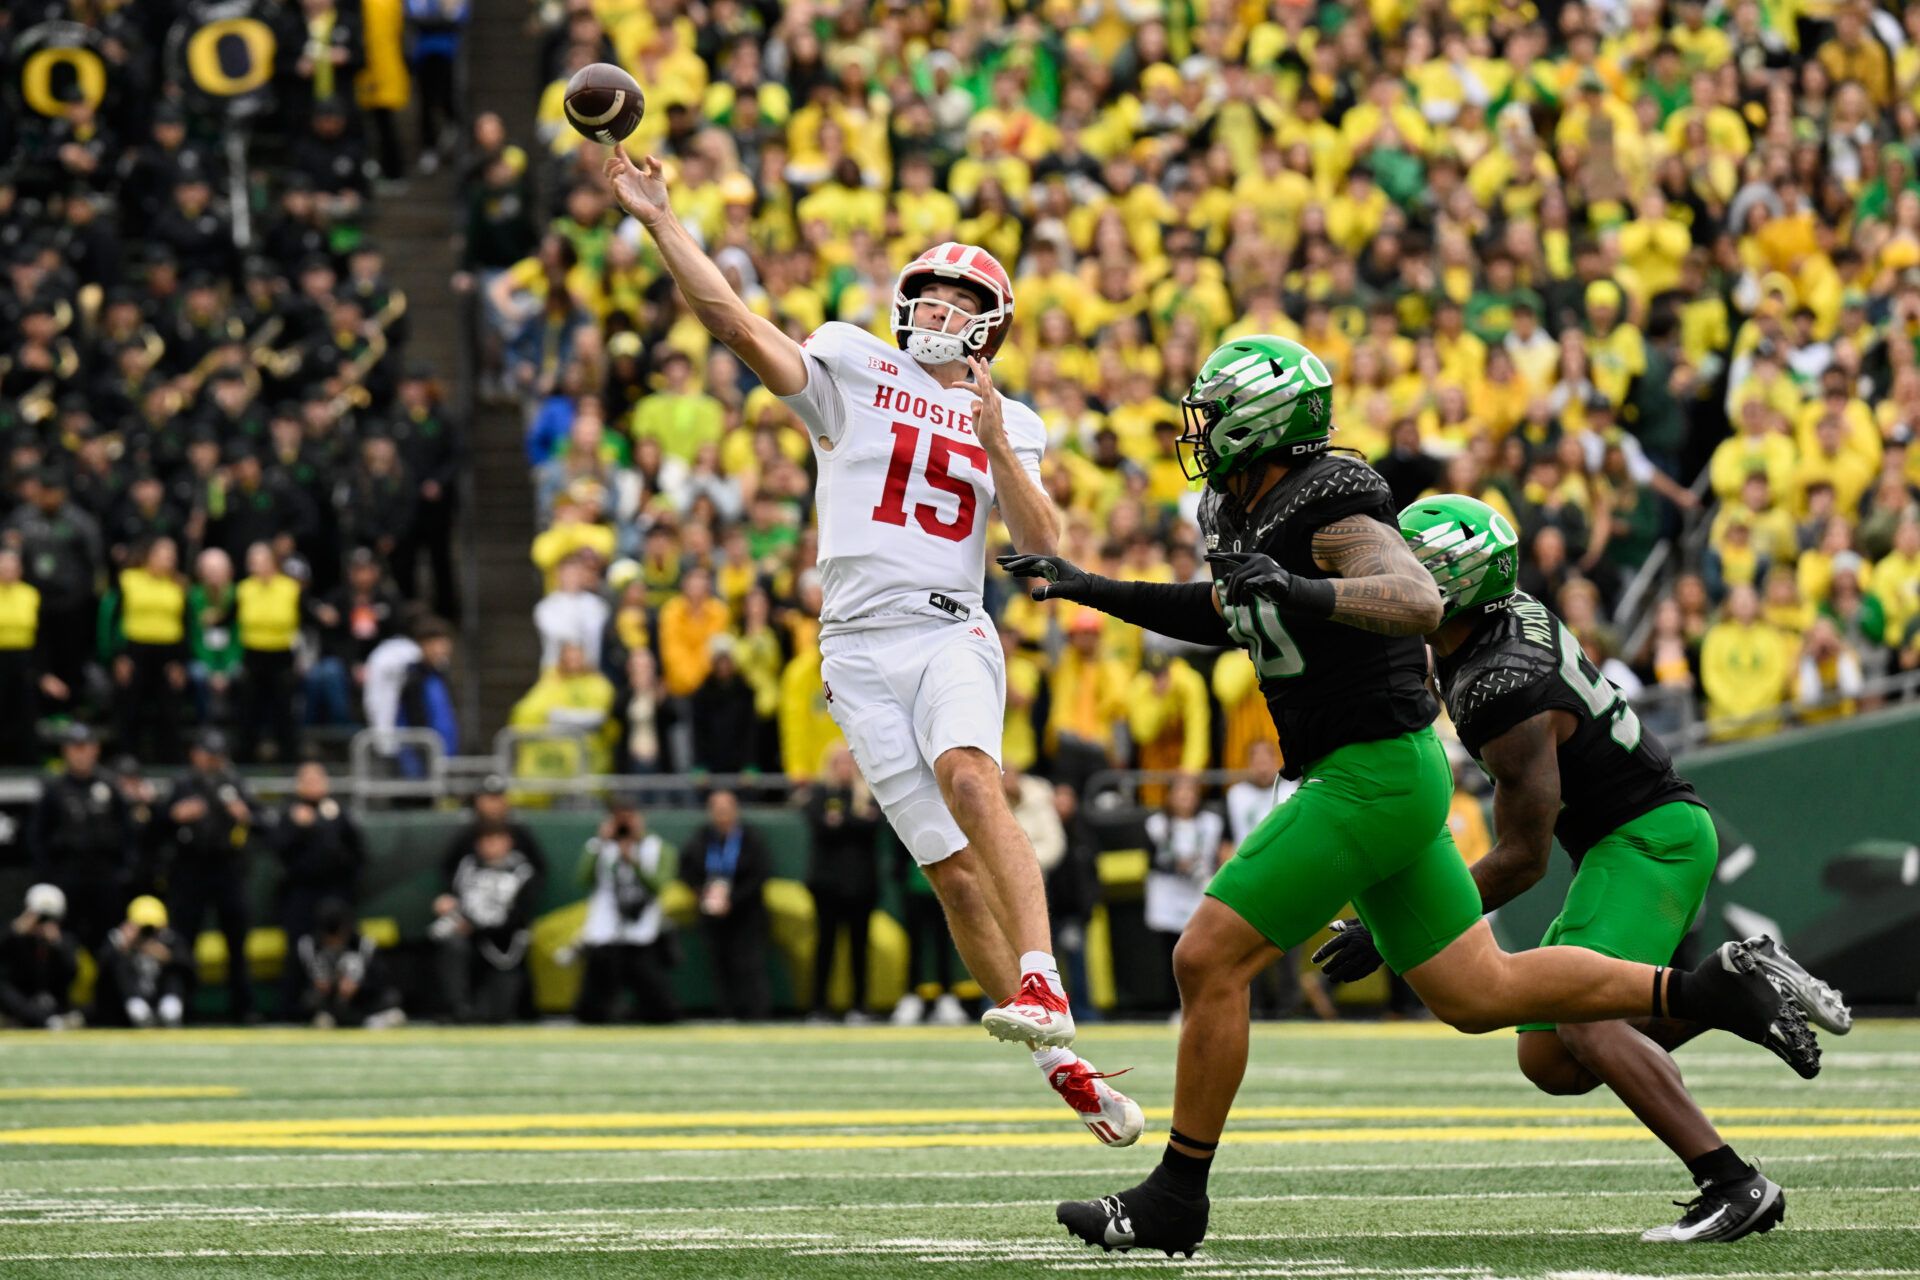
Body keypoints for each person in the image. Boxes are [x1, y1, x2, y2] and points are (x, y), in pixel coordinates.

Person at [1001, 334, 1823, 1257]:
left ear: (1265, 421)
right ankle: (1712, 1002)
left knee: (1206, 958)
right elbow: (1228, 614)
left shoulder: (1333, 497)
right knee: (1482, 994)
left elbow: (1412, 599)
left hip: (1370, 772)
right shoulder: (1242, 510)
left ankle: (1175, 1196)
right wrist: (1091, 590)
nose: (1201, 430)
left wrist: (1307, 592)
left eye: (1215, 411)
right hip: (1377, 772)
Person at [606, 146, 1137, 1145]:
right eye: (925, 297)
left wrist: (986, 435)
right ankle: (1062, 1064)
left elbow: (1045, 545)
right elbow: (733, 321)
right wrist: (660, 220)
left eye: (953, 301)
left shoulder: (1008, 414)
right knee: (946, 867)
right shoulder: (852, 362)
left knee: (973, 778)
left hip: (947, 624)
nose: (933, 312)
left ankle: (1042, 977)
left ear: (988, 321)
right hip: (852, 645)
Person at [1308, 494, 1854, 1242]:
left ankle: (1734, 1182)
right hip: (1621, 838)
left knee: (1585, 1021)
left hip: (1649, 836)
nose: (1393, 580)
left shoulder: (1506, 689)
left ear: (1457, 586)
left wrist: (1392, 930)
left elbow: (1524, 861)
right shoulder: (1491, 628)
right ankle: (1731, 985)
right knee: (1551, 1061)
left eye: (1412, 569)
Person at [158, 729, 260, 1022]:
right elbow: (154, 827)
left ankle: (243, 1008)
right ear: (195, 754)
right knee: (184, 942)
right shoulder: (182, 784)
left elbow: (264, 822)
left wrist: (245, 814)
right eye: (208, 754)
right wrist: (173, 815)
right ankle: (182, 1006)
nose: (213, 761)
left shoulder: (235, 783)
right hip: (190, 869)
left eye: (218, 755)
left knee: (237, 943)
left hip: (228, 869)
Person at [28, 723, 139, 952]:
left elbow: (129, 832)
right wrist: (49, 875)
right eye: (74, 747)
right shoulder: (54, 789)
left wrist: (124, 871)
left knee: (109, 944)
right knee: (63, 943)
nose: (80, 753)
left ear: (95, 749)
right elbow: (37, 836)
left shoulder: (110, 785)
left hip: (105, 877)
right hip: (67, 876)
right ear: (65, 751)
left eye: (85, 747)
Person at [272, 762, 367, 1018]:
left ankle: (345, 1007)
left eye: (318, 779)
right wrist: (299, 827)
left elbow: (358, 854)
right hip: (302, 893)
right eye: (308, 780)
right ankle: (292, 1010)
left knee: (344, 949)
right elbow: (279, 850)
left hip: (336, 892)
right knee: (298, 949)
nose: (314, 785)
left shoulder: (338, 813)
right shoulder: (289, 813)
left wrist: (320, 826)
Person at [573, 794, 678, 1024]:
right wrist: (600, 842)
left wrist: (634, 861)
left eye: (629, 818)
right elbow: (582, 878)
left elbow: (660, 885)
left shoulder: (658, 847)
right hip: (605, 933)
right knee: (590, 1010)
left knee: (661, 1009)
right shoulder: (599, 846)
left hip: (642, 934)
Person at [802, 746, 882, 1021]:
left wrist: (842, 821)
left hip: (862, 885)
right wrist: (853, 820)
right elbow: (821, 827)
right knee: (825, 945)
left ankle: (860, 1005)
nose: (845, 768)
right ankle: (819, 1006)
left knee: (859, 948)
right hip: (827, 886)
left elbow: (872, 826)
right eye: (839, 763)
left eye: (850, 762)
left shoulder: (868, 794)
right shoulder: (820, 793)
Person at [432, 819, 539, 1022]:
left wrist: (476, 928)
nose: (490, 845)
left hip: (503, 945)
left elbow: (519, 916)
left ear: (508, 842)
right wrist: (449, 905)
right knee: (451, 944)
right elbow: (454, 896)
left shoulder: (522, 871)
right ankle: (457, 1007)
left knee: (497, 1013)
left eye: (496, 839)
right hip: (469, 941)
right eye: (485, 840)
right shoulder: (467, 867)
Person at [683, 789, 771, 1021]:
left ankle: (756, 1014)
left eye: (726, 809)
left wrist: (732, 900)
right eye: (717, 809)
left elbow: (760, 874)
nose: (722, 814)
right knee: (720, 966)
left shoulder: (750, 837)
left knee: (748, 964)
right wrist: (703, 894)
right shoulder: (702, 837)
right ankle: (726, 1012)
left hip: (745, 912)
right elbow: (687, 869)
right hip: (712, 912)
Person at [1144, 774, 1228, 1012]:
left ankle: (1205, 1003)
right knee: (1173, 956)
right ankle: (1176, 1006)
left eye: (1189, 793)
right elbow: (1150, 861)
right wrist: (1174, 865)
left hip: (1199, 894)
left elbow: (1221, 855)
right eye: (1179, 793)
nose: (1184, 799)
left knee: (1202, 954)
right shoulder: (1156, 824)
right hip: (1168, 896)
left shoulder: (1211, 822)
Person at [294, 898, 405, 1028]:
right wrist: (320, 984)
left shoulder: (364, 944)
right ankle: (328, 1019)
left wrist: (359, 984)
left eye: (338, 935)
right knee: (309, 1001)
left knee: (391, 997)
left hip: (360, 1001)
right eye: (329, 936)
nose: (334, 942)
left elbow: (381, 979)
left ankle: (369, 1021)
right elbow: (295, 981)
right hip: (328, 1002)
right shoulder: (308, 945)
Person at [93, 895, 190, 1028]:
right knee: (121, 967)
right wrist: (123, 946)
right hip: (129, 1002)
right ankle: (138, 1009)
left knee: (174, 976)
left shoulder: (170, 940)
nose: (148, 932)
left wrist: (167, 956)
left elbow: (191, 969)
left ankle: (170, 1010)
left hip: (162, 995)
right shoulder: (120, 940)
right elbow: (100, 971)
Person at [0, 884, 81, 1029]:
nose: (43, 922)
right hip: (21, 1000)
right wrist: (16, 930)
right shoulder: (14, 937)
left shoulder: (64, 941)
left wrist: (57, 944)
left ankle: (50, 1020)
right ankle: (46, 1021)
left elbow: (72, 973)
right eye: (40, 917)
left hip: (51, 1000)